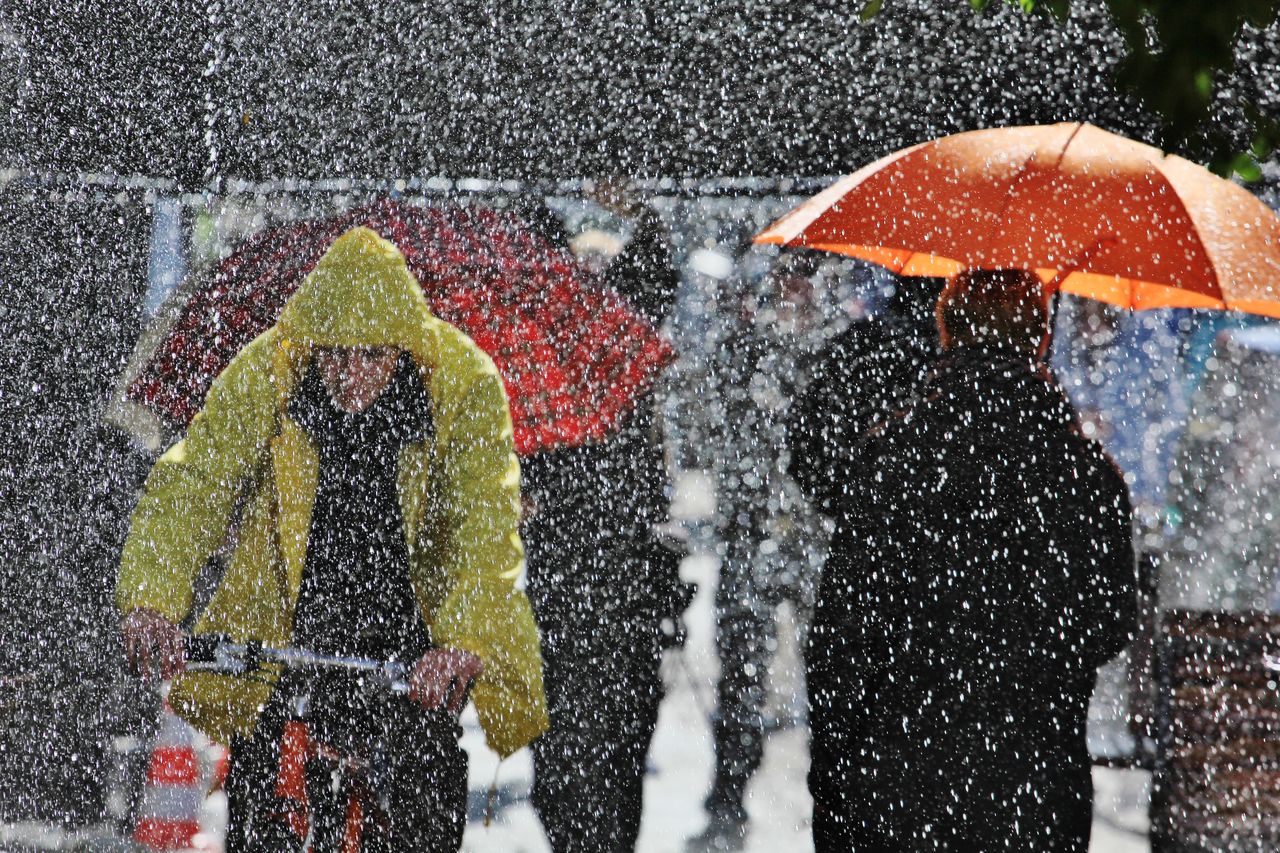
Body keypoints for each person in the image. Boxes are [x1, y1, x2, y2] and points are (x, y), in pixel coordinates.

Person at [117, 226, 548, 852]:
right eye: (334, 356)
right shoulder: (272, 367)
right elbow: (195, 481)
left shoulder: (462, 384)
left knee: (420, 803)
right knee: (263, 805)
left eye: (371, 356)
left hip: (412, 645)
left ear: (402, 348)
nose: (351, 376)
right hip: (285, 637)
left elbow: (487, 528)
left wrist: (464, 642)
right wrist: (152, 598)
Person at [805, 268, 1137, 851]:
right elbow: (1106, 626)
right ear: (1040, 340)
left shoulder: (892, 459)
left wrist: (836, 776)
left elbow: (840, 640)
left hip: (896, 782)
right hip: (1032, 786)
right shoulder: (1083, 476)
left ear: (946, 333)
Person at [520, 190, 687, 853]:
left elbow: (651, 271)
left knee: (612, 757)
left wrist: (638, 213)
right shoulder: (539, 360)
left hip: (622, 587)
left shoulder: (616, 344)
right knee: (567, 767)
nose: (586, 283)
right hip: (567, 588)